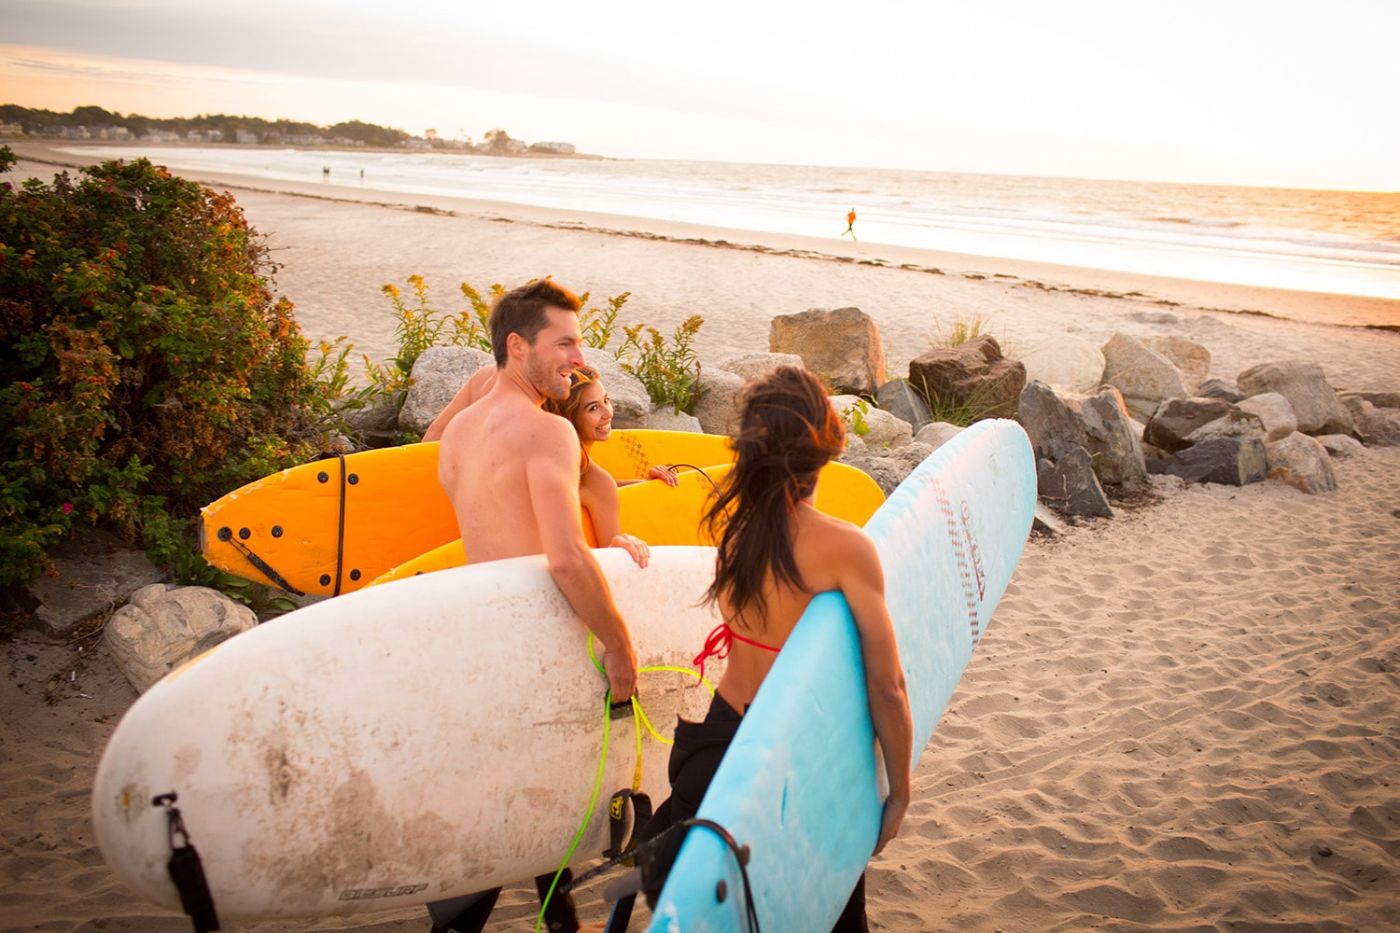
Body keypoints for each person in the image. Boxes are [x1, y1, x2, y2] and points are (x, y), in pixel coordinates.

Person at [640, 365, 913, 932]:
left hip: (714, 753)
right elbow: (888, 687)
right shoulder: (846, 548)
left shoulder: (737, 531)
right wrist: (900, 791)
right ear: (827, 446)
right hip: (794, 763)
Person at [429, 281, 640, 933]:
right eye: (566, 341)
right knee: (555, 814)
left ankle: (552, 922)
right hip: (545, 655)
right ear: (517, 346)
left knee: (519, 812)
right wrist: (619, 645)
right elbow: (567, 559)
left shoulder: (457, 432)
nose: (578, 356)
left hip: (481, 650)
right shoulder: (549, 433)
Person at [543, 365, 680, 549]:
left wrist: (644, 484)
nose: (608, 413)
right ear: (570, 418)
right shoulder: (593, 480)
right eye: (593, 408)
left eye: (606, 400)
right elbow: (613, 558)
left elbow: (589, 488)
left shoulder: (539, 457)